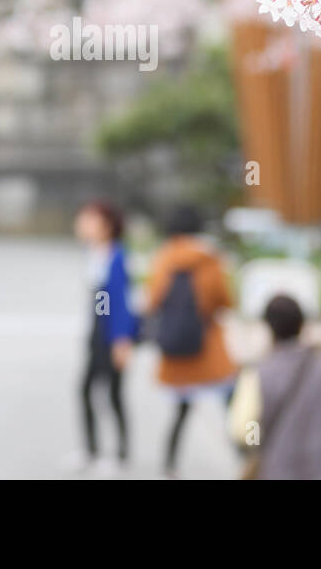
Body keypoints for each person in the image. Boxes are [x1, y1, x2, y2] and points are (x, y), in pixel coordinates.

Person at [227, 293, 321, 480]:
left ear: (268, 328)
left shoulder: (257, 374)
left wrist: (258, 439)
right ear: (302, 325)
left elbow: (241, 429)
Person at [147, 204, 237, 477]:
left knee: (181, 410)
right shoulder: (210, 259)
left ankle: (169, 464)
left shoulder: (164, 258)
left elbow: (152, 301)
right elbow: (225, 301)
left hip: (176, 351)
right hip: (208, 349)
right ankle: (245, 458)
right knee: (232, 405)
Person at [72, 201, 137, 474]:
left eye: (91, 220)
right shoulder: (95, 252)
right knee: (85, 390)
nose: (85, 224)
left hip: (113, 334)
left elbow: (120, 303)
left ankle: (120, 455)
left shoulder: (118, 256)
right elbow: (99, 301)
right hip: (98, 331)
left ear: (107, 225)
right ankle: (91, 450)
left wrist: (122, 340)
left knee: (113, 395)